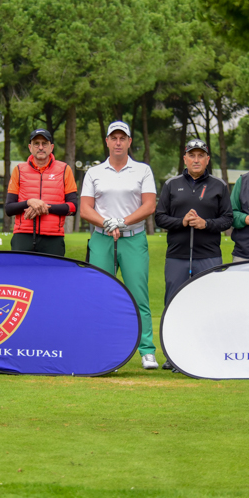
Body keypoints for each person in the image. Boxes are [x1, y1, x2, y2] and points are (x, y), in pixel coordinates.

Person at [80, 121, 158, 369]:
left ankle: (147, 350)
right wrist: (106, 223)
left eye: (122, 138)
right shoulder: (94, 172)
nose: (118, 142)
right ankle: (99, 347)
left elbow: (149, 205)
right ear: (107, 141)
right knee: (100, 294)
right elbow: (85, 209)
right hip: (102, 238)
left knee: (138, 295)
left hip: (133, 238)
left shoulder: (142, 170)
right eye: (113, 138)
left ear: (129, 141)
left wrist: (122, 221)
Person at [155, 138, 233, 370]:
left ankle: (206, 354)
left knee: (207, 305)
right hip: (177, 255)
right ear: (185, 159)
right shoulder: (172, 185)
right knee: (174, 304)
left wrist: (205, 224)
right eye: (192, 155)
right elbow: (160, 217)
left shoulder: (219, 186)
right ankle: (173, 355)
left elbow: (227, 219)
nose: (196, 160)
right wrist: (182, 221)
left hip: (209, 255)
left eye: (201, 156)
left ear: (207, 159)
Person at [5, 128, 78, 256]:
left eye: (44, 143)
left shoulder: (65, 169)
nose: (40, 147)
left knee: (53, 270)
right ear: (30, 147)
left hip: (53, 237)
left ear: (51, 147)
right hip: (22, 236)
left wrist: (45, 208)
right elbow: (9, 209)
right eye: (36, 144)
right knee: (20, 270)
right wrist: (29, 202)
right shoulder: (19, 170)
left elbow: (73, 207)